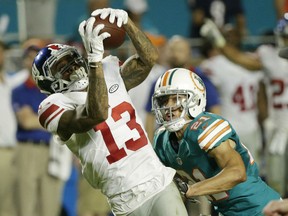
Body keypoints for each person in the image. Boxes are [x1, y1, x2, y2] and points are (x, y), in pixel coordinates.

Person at [31, 8, 188, 216]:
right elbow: (95, 114)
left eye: (70, 59)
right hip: (123, 198)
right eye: (61, 67)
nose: (71, 66)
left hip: (157, 180)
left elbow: (148, 58)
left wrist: (128, 23)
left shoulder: (108, 69)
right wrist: (95, 60)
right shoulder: (53, 105)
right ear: (48, 82)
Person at [152, 68, 281, 215]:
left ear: (195, 100)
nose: (169, 107)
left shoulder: (205, 128)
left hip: (260, 209)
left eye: (176, 99)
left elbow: (237, 173)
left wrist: (191, 190)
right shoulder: (162, 141)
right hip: (226, 212)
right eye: (163, 100)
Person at [200, 16, 288, 197]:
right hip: (279, 129)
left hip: (270, 127)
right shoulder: (269, 57)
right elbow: (240, 59)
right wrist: (218, 40)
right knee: (276, 182)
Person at [12, 45, 65, 216]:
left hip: (53, 150)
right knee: (26, 207)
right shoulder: (19, 90)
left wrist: (48, 120)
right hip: (28, 150)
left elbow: (66, 118)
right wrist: (55, 120)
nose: (33, 62)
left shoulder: (55, 90)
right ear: (25, 62)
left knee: (50, 207)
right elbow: (26, 121)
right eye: (30, 58)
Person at [0, 41, 28, 216]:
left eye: (1, 52)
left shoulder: (9, 82)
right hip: (1, 153)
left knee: (18, 205)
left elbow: (29, 73)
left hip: (18, 150)